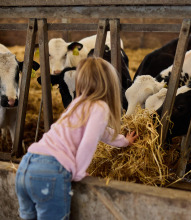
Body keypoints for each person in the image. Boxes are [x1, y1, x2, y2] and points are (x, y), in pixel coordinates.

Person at [15, 57, 138, 220]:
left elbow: (103, 133)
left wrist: (124, 141)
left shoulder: (76, 104)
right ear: (111, 86)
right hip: (51, 171)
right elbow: (89, 141)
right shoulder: (100, 107)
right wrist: (78, 171)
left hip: (26, 166)